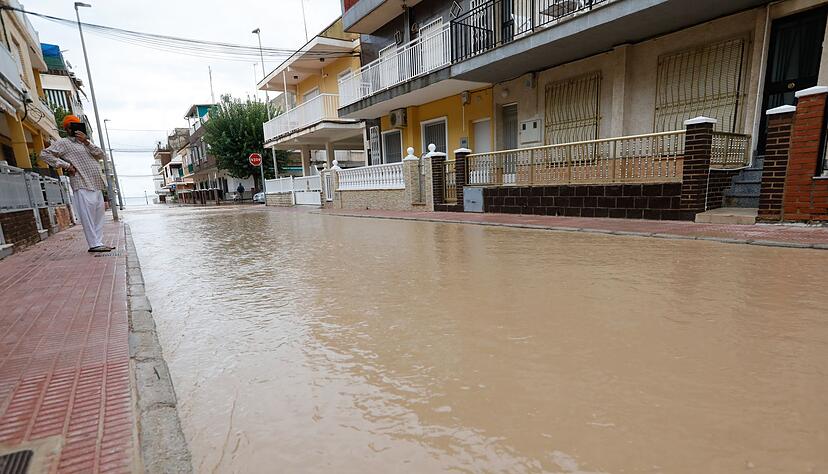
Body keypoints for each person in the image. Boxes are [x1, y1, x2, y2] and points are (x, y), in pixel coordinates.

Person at [40, 115, 114, 253]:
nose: (74, 129)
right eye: (71, 126)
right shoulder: (63, 143)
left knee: (98, 216)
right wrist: (66, 165)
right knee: (87, 216)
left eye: (77, 125)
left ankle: (98, 242)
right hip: (81, 182)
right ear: (67, 129)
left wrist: (86, 141)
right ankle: (94, 244)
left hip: (96, 183)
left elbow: (100, 154)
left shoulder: (86, 143)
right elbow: (44, 154)